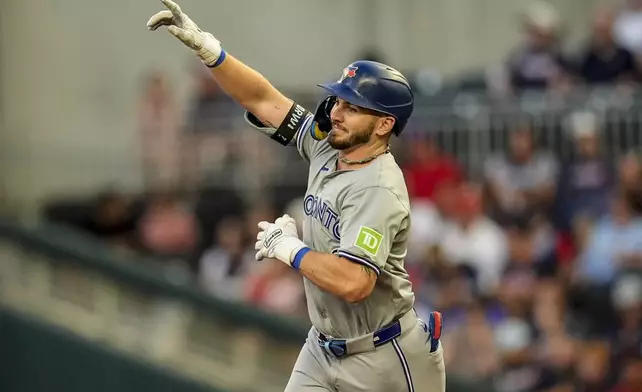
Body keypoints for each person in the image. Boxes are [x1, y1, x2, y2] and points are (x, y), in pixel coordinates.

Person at [147, 1, 445, 391]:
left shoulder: (379, 189)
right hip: (322, 347)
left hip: (382, 357)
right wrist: (211, 53)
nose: (337, 112)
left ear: (384, 124)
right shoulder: (328, 145)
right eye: (339, 100)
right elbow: (265, 100)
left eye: (353, 107)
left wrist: (291, 250)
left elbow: (356, 283)